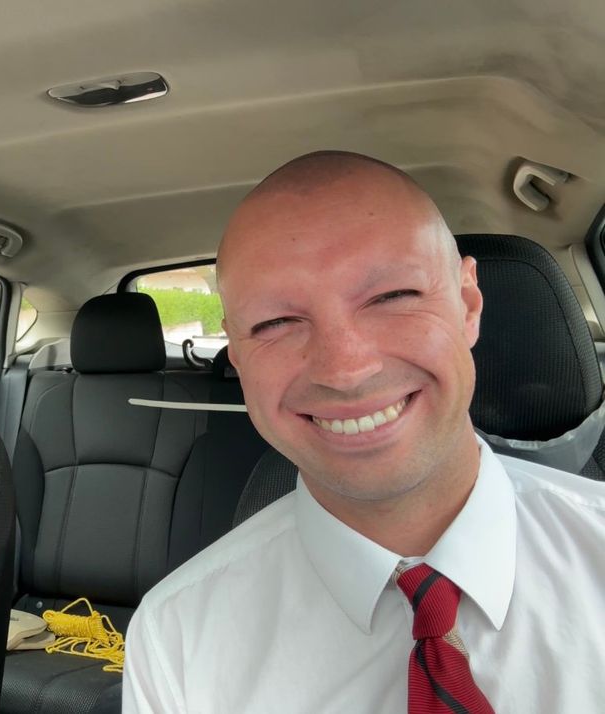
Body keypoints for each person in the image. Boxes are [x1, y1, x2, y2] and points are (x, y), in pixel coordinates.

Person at [122, 152, 605, 712]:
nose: (345, 369)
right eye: (275, 322)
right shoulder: (177, 638)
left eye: (393, 296)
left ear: (468, 304)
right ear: (237, 352)